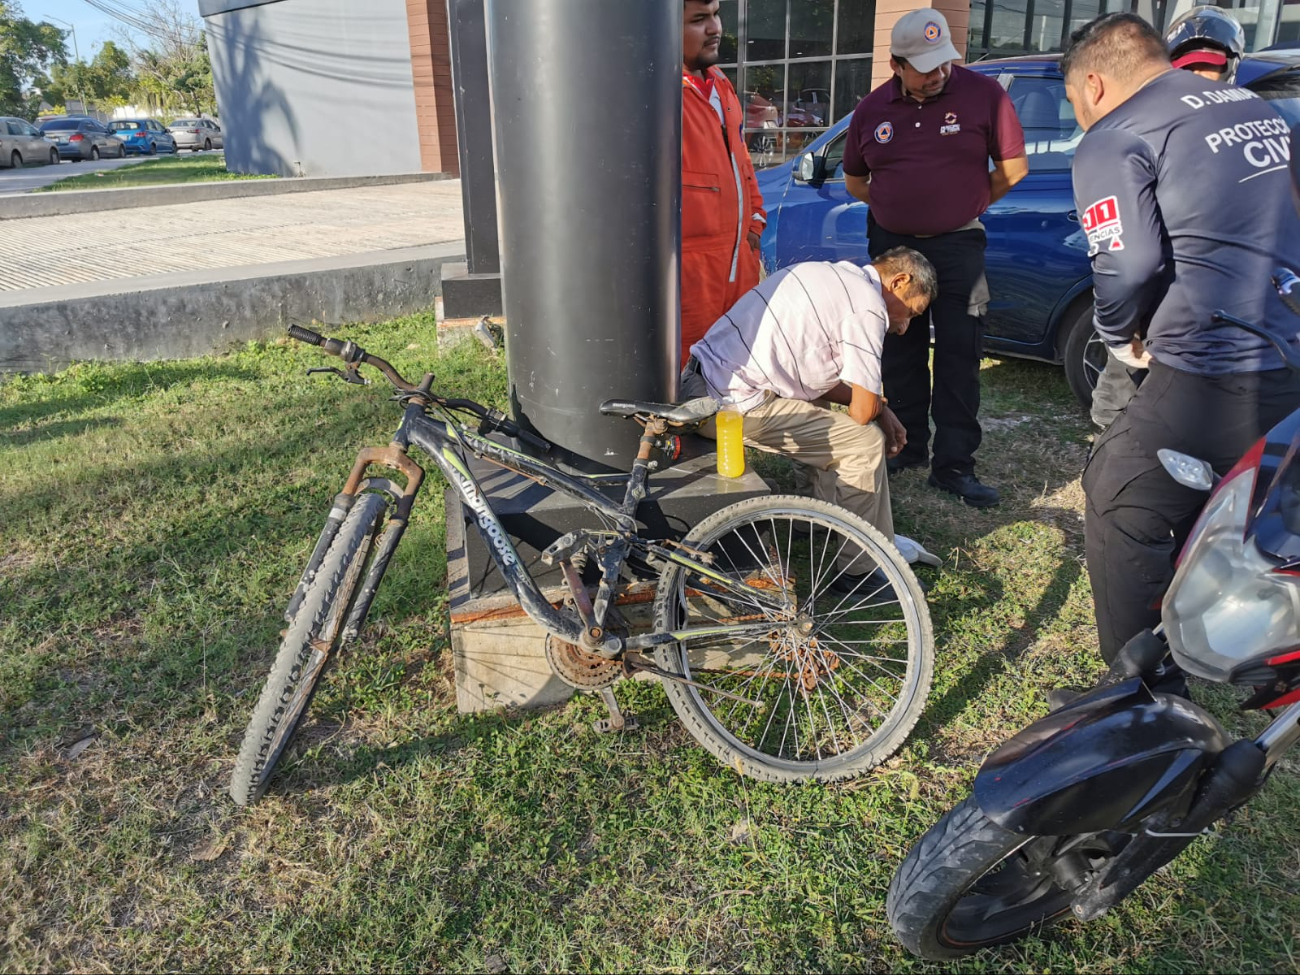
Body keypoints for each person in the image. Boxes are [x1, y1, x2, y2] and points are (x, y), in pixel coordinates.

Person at [1065, 13, 1300, 663]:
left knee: (1115, 492)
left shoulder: (1116, 135)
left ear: (1093, 84)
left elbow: (1127, 262)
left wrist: (1117, 338)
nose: (1080, 117)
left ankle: (1139, 696)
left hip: (1217, 361)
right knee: (1233, 497)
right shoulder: (1254, 106)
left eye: (1073, 103)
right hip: (1287, 348)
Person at [840, 9, 1028, 509]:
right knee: (899, 346)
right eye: (925, 66)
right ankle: (908, 447)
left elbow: (1013, 167)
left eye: (943, 61)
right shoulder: (871, 109)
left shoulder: (984, 95)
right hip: (893, 244)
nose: (939, 72)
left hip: (958, 243)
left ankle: (955, 465)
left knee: (960, 351)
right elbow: (855, 181)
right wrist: (893, 208)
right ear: (896, 64)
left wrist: (967, 205)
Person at [679, 247, 938, 590]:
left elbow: (808, 377)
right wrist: (878, 411)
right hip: (725, 407)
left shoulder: (827, 274)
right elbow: (862, 412)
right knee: (863, 445)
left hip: (700, 382)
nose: (904, 327)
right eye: (911, 312)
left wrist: (883, 408)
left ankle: (816, 518)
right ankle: (857, 573)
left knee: (822, 407)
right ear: (899, 281)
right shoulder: (868, 304)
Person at [1090, 6, 1249, 431]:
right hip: (1152, 297)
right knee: (1118, 410)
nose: (1196, 76)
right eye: (1187, 66)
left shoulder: (1244, 127)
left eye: (1209, 67)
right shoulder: (1144, 125)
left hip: (1218, 305)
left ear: (1230, 67)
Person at [680, 0, 766, 361]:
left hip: (737, 267)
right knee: (685, 383)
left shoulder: (720, 85)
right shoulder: (648, 92)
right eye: (699, 19)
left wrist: (756, 225)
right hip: (688, 277)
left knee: (738, 369)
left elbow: (742, 164)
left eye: (715, 14)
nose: (715, 27)